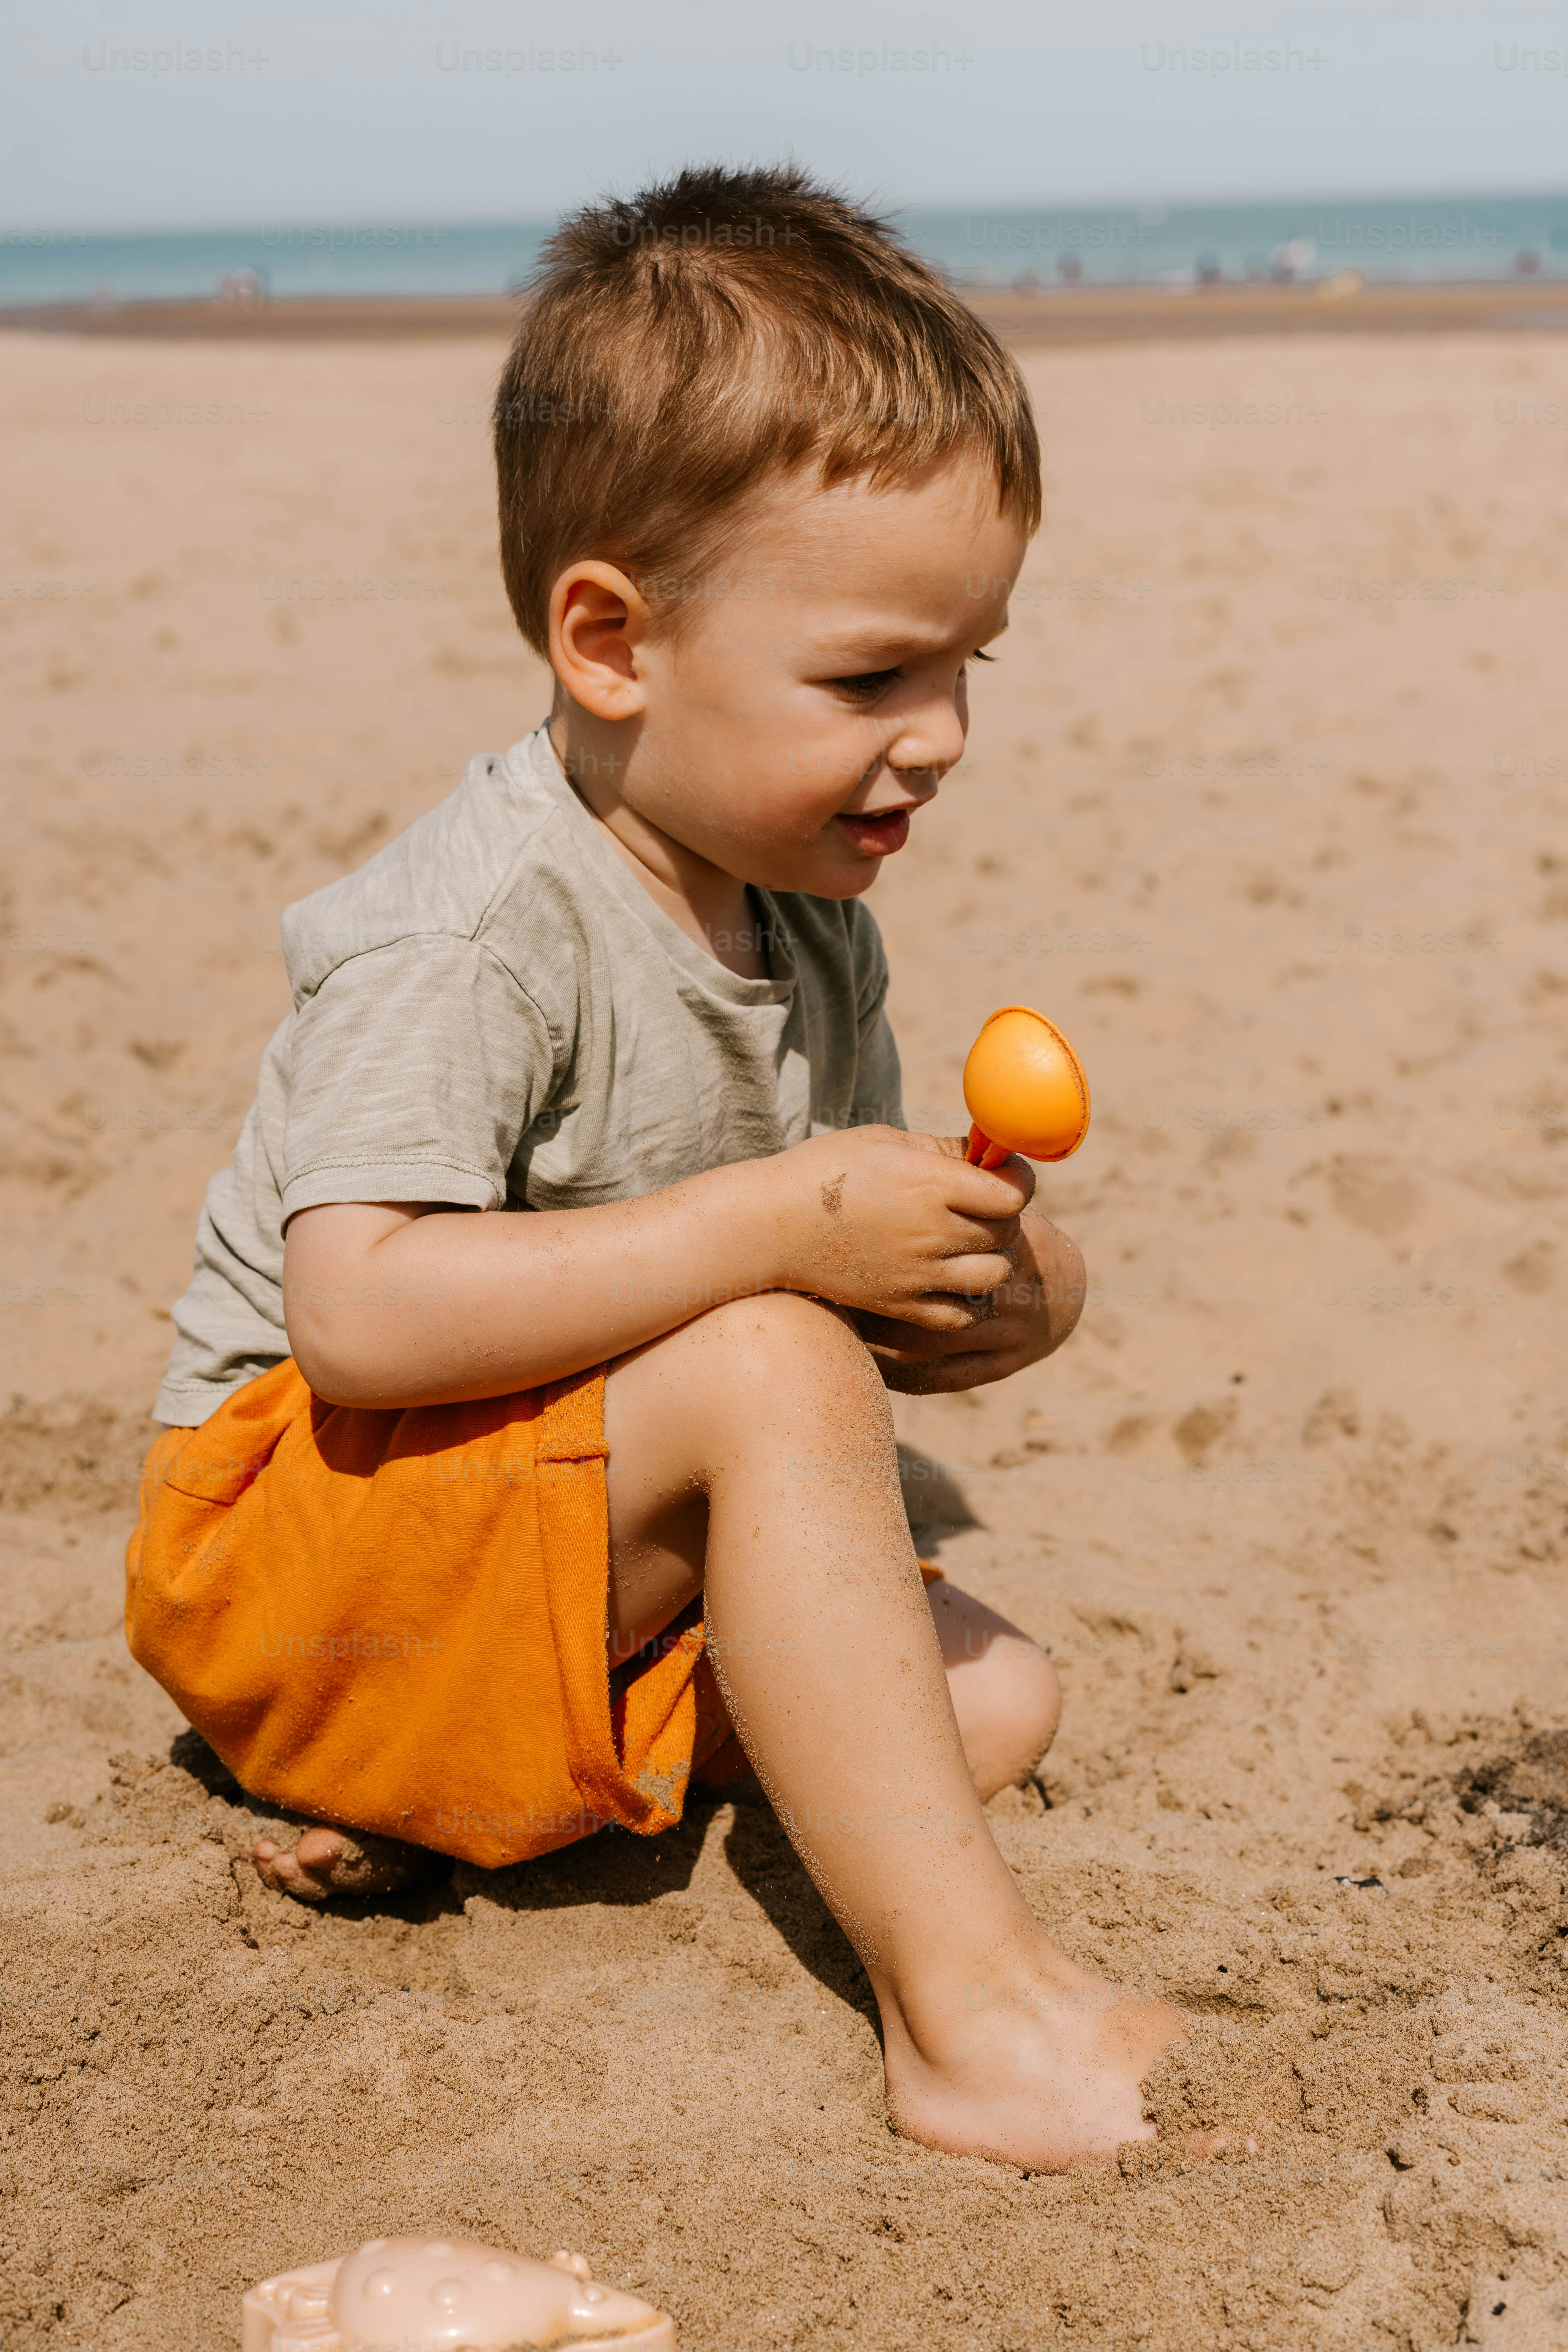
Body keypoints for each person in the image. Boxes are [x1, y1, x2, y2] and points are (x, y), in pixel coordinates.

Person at [127, 163, 1192, 2171]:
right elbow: (358, 1322)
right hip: (294, 1565)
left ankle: (446, 1800)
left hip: (499, 1545)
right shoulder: (474, 929)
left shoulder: (805, 919)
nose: (942, 735)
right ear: (612, 643)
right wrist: (787, 1231)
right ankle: (973, 2026)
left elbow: (811, 1287)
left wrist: (983, 1285)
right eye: (873, 677)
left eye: (973, 667)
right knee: (777, 1363)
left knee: (989, 1703)